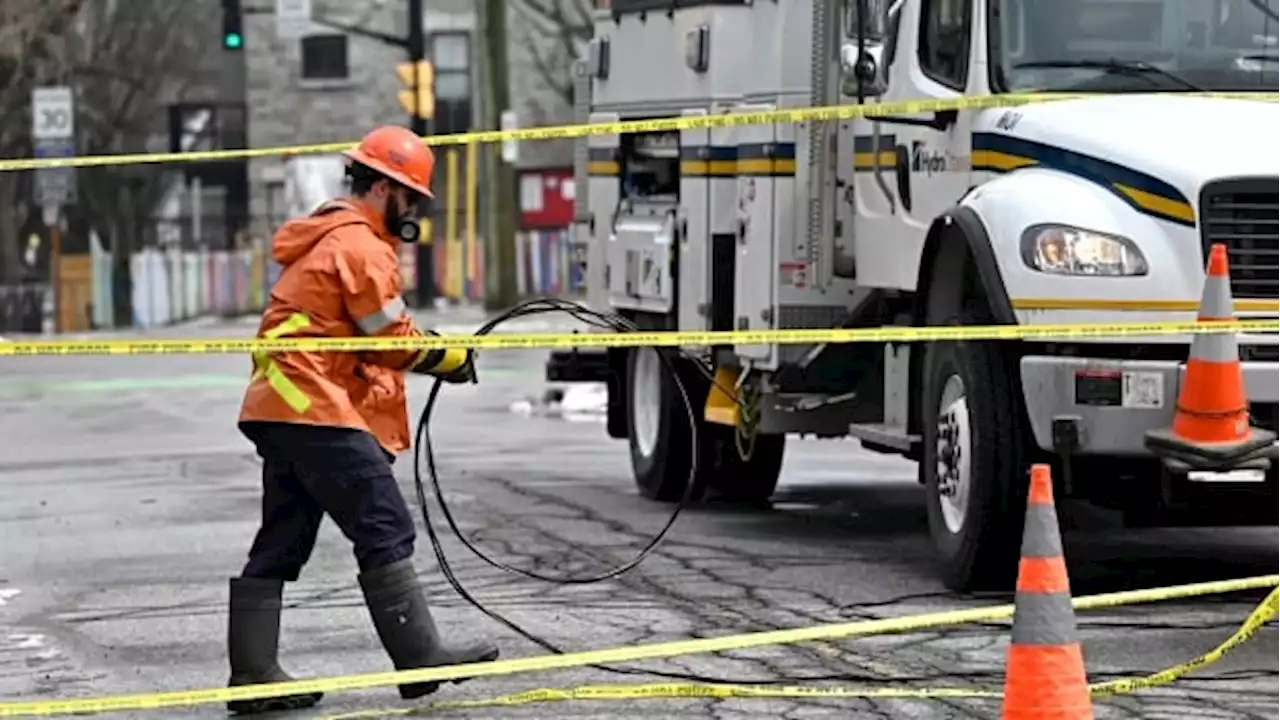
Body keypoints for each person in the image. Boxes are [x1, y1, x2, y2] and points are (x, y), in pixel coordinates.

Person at [226, 125, 499, 715]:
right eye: (412, 197)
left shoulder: (336, 237)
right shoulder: (360, 246)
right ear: (383, 188)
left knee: (283, 537)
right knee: (384, 523)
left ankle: (253, 673)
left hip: (282, 403)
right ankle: (419, 657)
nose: (416, 210)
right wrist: (450, 357)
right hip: (313, 405)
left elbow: (367, 335)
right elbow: (389, 337)